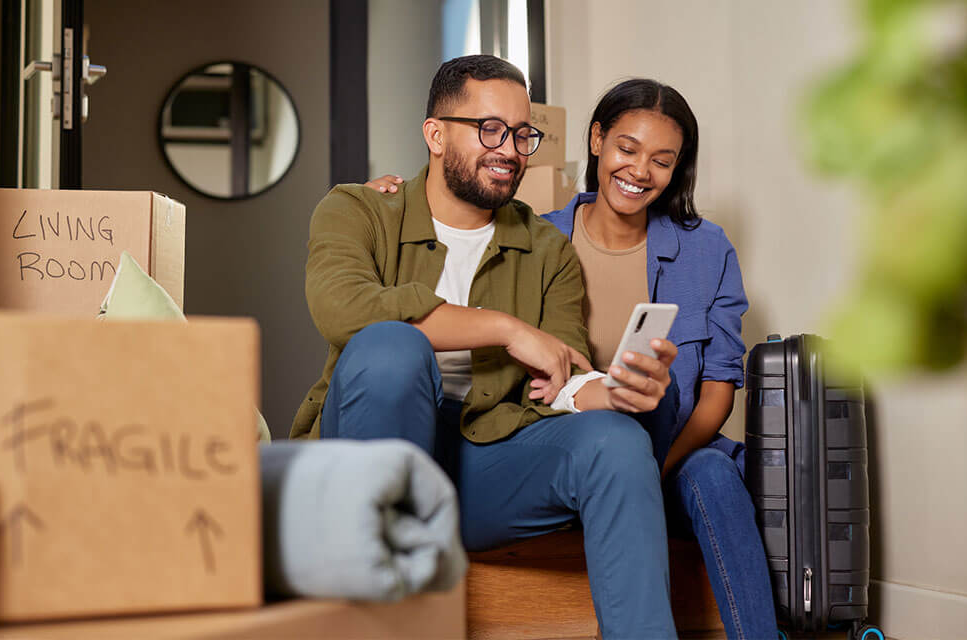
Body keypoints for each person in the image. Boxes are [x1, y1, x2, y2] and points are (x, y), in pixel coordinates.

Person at [367, 78, 779, 639]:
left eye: (662, 160)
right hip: (571, 428)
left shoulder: (706, 249)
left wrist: (649, 473)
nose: (639, 171)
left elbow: (717, 395)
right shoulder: (544, 238)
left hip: (673, 444)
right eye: (627, 150)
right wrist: (391, 195)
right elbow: (456, 201)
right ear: (597, 140)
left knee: (709, 465)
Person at [292, 56, 683, 638]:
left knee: (619, 441)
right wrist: (505, 328)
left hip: (484, 467)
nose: (510, 149)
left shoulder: (547, 249)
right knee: (394, 350)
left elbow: (562, 377)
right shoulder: (359, 211)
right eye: (490, 129)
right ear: (435, 133)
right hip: (368, 463)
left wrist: (619, 390)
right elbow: (345, 310)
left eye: (523, 134)